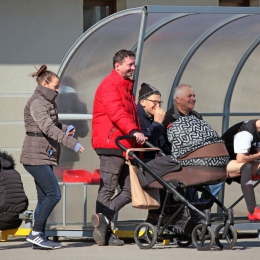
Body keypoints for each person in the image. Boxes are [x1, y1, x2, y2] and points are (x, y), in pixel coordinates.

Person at [20, 65, 84, 249]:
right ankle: (36, 232)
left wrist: (65, 128)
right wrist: (73, 144)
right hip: (35, 157)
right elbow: (46, 128)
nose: (57, 90)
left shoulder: (47, 101)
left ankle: (38, 236)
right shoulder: (38, 102)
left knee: (44, 198)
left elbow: (52, 124)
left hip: (43, 155)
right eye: (55, 87)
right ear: (44, 83)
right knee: (54, 194)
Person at [91, 49, 147, 246]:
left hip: (125, 144)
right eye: (130, 64)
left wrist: (135, 136)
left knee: (130, 190)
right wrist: (133, 131)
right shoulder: (110, 85)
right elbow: (117, 113)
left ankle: (104, 219)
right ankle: (104, 232)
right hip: (112, 143)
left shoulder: (125, 86)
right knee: (107, 187)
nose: (133, 67)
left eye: (133, 64)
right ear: (117, 66)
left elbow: (131, 115)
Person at [162, 84, 223, 201]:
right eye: (189, 96)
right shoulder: (167, 119)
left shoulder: (196, 117)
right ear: (178, 99)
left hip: (200, 160)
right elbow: (164, 145)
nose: (193, 99)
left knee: (220, 174)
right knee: (189, 174)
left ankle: (202, 207)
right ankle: (193, 211)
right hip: (179, 162)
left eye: (194, 96)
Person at [137, 82, 173, 223]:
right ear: (143, 102)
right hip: (139, 161)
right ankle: (156, 217)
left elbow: (162, 142)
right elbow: (147, 142)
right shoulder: (137, 116)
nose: (158, 106)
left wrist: (172, 157)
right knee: (165, 177)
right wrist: (157, 123)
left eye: (160, 102)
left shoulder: (152, 116)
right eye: (155, 102)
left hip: (152, 161)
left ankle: (167, 215)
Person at [221, 119, 260, 221]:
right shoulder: (246, 131)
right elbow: (241, 158)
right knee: (246, 166)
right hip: (221, 163)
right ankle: (252, 211)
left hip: (237, 163)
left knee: (248, 166)